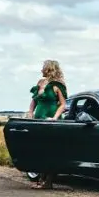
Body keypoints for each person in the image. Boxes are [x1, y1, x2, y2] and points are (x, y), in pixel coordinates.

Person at [27, 59, 67, 189]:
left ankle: (48, 181)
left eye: (43, 68)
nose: (41, 70)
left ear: (49, 69)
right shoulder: (40, 82)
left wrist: (55, 117)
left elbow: (63, 104)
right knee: (39, 149)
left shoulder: (58, 85)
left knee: (50, 150)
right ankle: (41, 179)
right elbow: (34, 100)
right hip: (38, 120)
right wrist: (30, 112)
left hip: (51, 120)